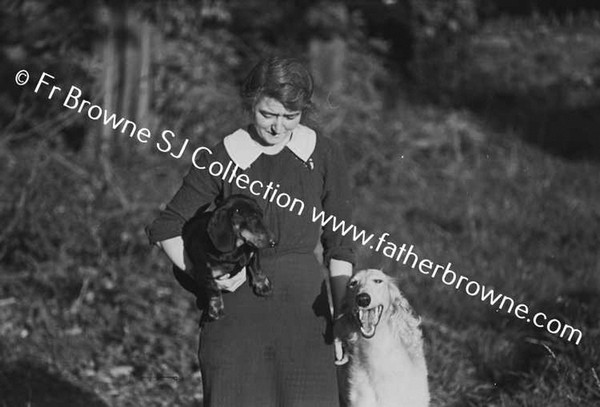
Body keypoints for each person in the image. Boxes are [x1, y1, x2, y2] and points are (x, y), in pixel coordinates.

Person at [147, 56, 355, 406]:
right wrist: (203, 276)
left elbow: (340, 245)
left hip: (307, 310)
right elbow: (167, 226)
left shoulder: (324, 154)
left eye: (291, 117)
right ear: (250, 103)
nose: (278, 127)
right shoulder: (224, 156)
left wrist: (340, 319)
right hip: (237, 312)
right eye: (268, 115)